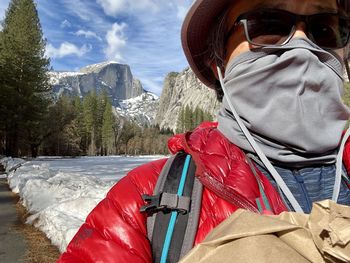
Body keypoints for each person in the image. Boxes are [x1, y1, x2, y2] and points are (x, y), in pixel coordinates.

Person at [57, 0, 350, 262]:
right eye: (268, 24)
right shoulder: (140, 201)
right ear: (217, 64)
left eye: (325, 29)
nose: (302, 43)